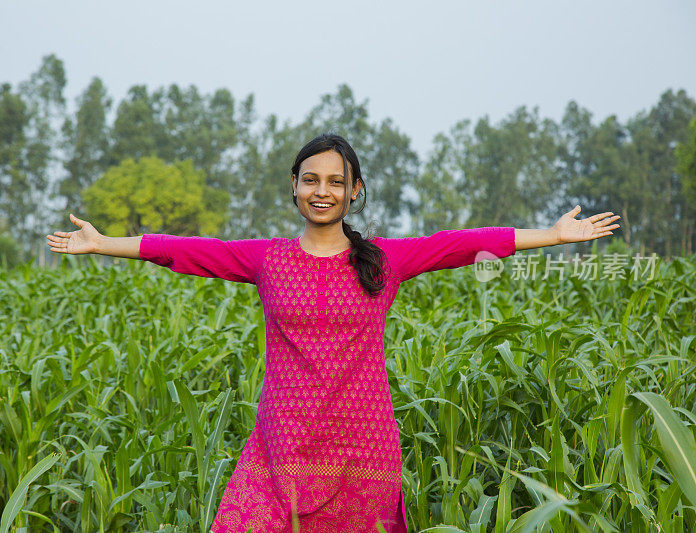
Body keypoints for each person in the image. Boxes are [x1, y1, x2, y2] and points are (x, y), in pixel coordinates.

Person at [46, 133, 620, 532]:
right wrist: (102, 244)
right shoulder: (265, 259)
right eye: (310, 179)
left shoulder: (385, 262)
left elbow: (464, 243)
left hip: (361, 446)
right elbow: (184, 251)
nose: (322, 190)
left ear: (354, 191)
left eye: (335, 182)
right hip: (281, 446)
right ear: (293, 187)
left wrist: (552, 235)